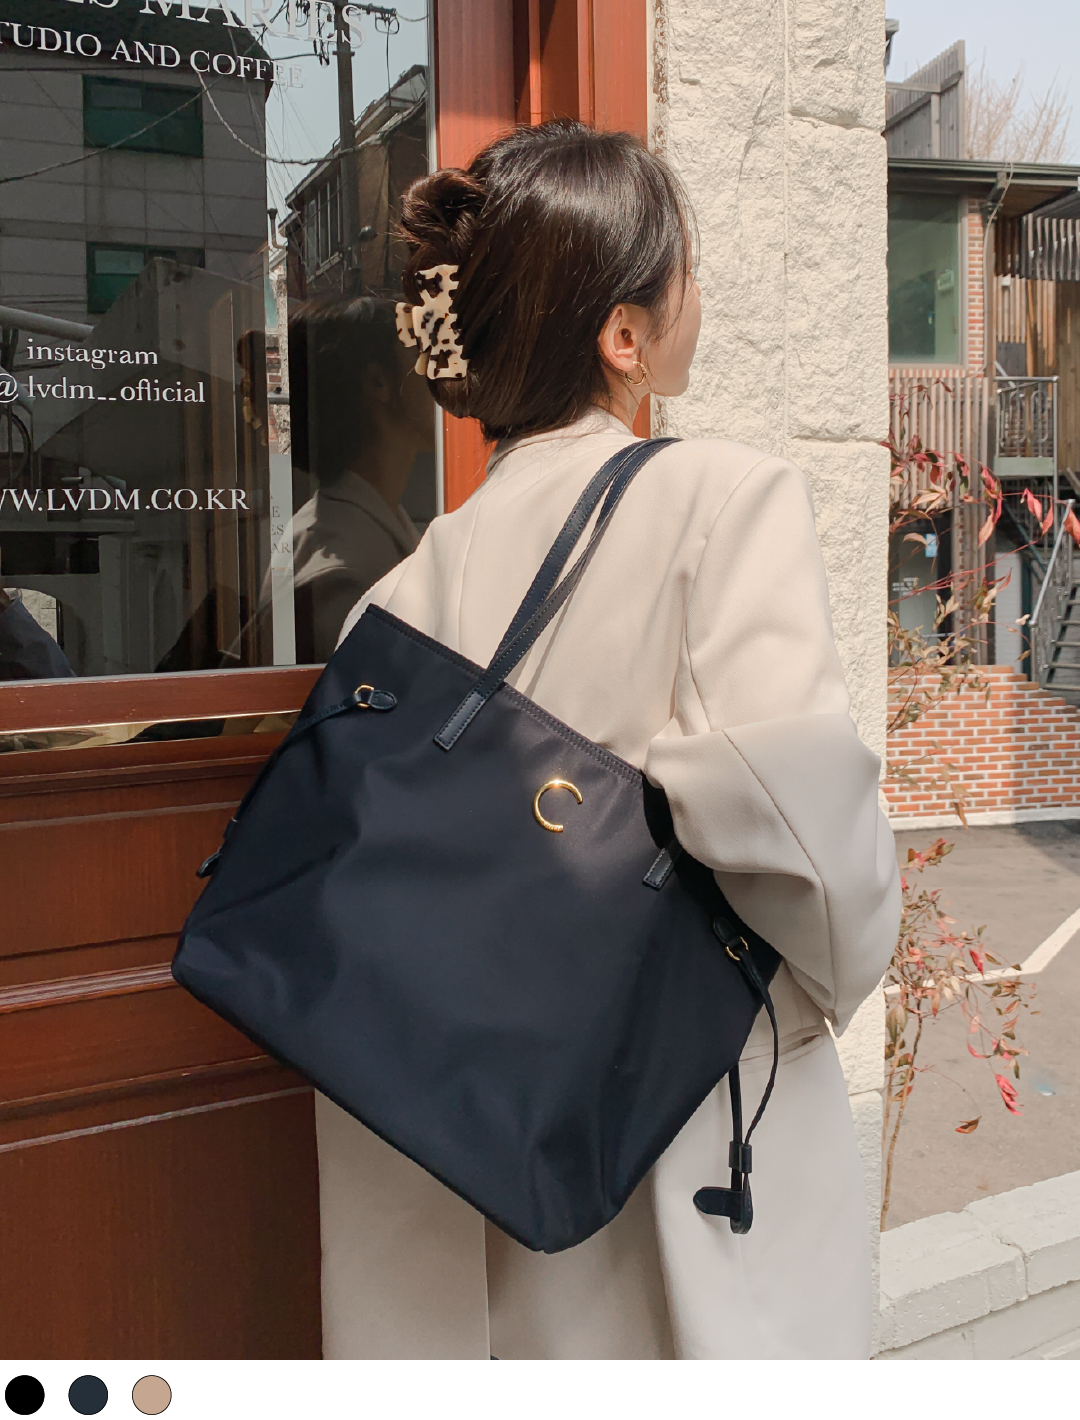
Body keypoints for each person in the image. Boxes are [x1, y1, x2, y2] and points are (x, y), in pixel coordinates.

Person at [315, 122, 900, 1360]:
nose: (701, 291)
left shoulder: (395, 599)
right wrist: (844, 975)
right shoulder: (720, 502)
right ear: (623, 337)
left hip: (451, 1167)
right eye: (684, 266)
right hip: (670, 1150)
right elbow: (802, 842)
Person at [267, 296, 434, 664]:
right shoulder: (345, 578)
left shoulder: (342, 529)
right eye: (421, 353)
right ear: (378, 382)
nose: (438, 372)